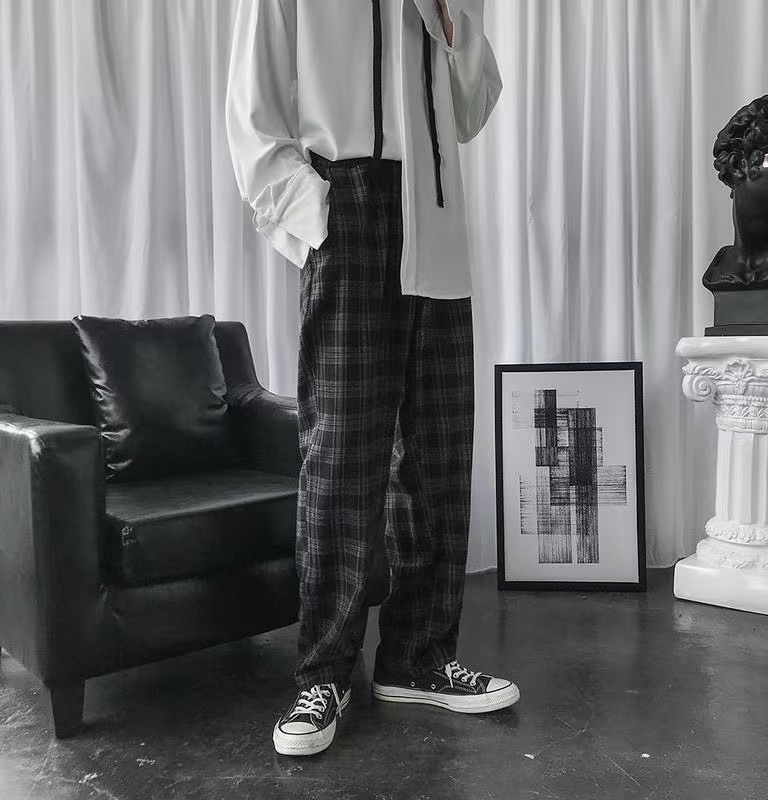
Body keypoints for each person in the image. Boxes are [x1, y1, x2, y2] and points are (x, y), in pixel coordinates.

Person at [225, 0, 517, 757]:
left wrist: (455, 26)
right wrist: (315, 215)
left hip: (438, 215)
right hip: (348, 203)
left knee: (439, 455)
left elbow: (470, 112)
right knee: (343, 456)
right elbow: (254, 115)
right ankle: (323, 673)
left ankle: (419, 656)